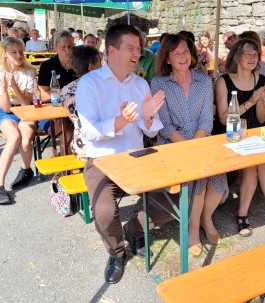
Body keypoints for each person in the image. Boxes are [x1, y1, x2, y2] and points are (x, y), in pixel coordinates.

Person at [76, 23, 168, 284]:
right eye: (131, 48)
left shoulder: (140, 83)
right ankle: (117, 253)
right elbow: (90, 131)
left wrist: (148, 115)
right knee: (104, 212)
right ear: (112, 51)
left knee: (173, 198)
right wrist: (119, 122)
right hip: (102, 161)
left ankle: (133, 230)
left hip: (136, 157)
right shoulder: (89, 83)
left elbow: (151, 127)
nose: (137, 53)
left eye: (138, 49)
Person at [152, 34, 228, 256]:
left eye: (186, 51)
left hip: (201, 139)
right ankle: (193, 228)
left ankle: (205, 217)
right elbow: (164, 125)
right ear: (167, 59)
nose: (183, 57)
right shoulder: (158, 83)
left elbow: (207, 119)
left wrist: (196, 146)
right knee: (200, 176)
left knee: (220, 179)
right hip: (173, 144)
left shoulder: (204, 81)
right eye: (176, 53)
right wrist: (188, 149)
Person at [215, 39, 265, 236]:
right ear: (237, 58)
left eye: (255, 55)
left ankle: (247, 213)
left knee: (258, 160)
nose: (253, 58)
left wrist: (260, 103)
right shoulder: (223, 81)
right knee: (257, 160)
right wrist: (251, 100)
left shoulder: (261, 80)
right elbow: (225, 119)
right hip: (232, 135)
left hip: (254, 135)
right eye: (248, 54)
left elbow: (262, 118)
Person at [0, 37, 37, 204]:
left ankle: (26, 170)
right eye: (14, 53)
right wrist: (4, 89)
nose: (19, 56)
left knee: (24, 141)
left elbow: (27, 103)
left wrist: (14, 86)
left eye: (21, 52)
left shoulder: (29, 71)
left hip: (25, 110)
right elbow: (6, 108)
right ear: (4, 54)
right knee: (13, 138)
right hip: (7, 112)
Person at [61, 46, 102, 160]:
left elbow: (74, 119)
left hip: (79, 145)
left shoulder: (66, 89)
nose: (102, 66)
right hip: (97, 147)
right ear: (91, 67)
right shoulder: (103, 87)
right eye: (99, 61)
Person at [37, 30, 76, 144]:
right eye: (63, 46)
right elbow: (43, 95)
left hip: (75, 110)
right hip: (52, 112)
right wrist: (65, 93)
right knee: (69, 138)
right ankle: (69, 160)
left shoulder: (79, 64)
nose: (67, 50)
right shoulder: (47, 66)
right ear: (55, 47)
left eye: (70, 46)